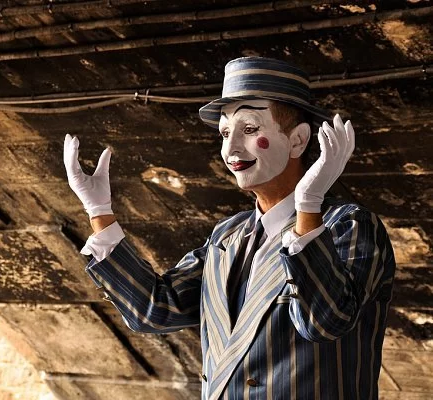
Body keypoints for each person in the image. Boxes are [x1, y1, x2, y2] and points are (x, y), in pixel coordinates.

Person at [63, 57, 395, 400]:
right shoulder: (227, 235)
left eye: (249, 129)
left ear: (297, 140)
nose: (231, 148)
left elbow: (325, 322)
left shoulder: (349, 226)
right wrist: (99, 211)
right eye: (224, 133)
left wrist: (309, 203)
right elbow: (156, 309)